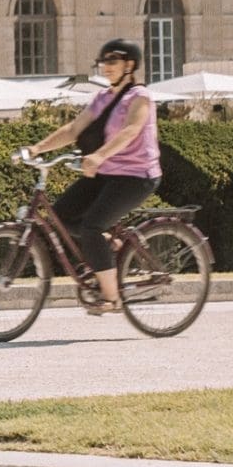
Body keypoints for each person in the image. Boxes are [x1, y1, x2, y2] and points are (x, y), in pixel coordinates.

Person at [27, 38, 162, 313]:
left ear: (130, 65)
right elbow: (73, 129)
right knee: (60, 219)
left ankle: (112, 299)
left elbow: (131, 130)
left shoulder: (140, 97)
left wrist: (100, 155)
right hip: (106, 174)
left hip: (136, 175)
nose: (106, 67)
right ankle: (112, 247)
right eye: (104, 62)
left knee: (91, 227)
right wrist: (36, 148)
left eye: (113, 61)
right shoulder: (102, 97)